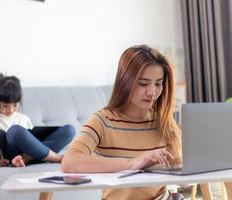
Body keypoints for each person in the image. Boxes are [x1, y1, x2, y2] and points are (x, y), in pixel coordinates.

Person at [61, 45, 182, 200]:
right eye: (143, 83)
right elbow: (70, 162)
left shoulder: (164, 121)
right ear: (125, 81)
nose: (152, 92)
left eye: (158, 84)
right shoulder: (102, 121)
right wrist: (132, 164)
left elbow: (183, 171)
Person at [0, 74, 75, 167]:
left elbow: (31, 143)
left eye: (15, 105)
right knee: (15, 131)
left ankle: (25, 158)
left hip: (32, 156)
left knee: (69, 130)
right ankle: (58, 158)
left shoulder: (23, 118)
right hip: (10, 156)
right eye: (5, 106)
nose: (11, 110)